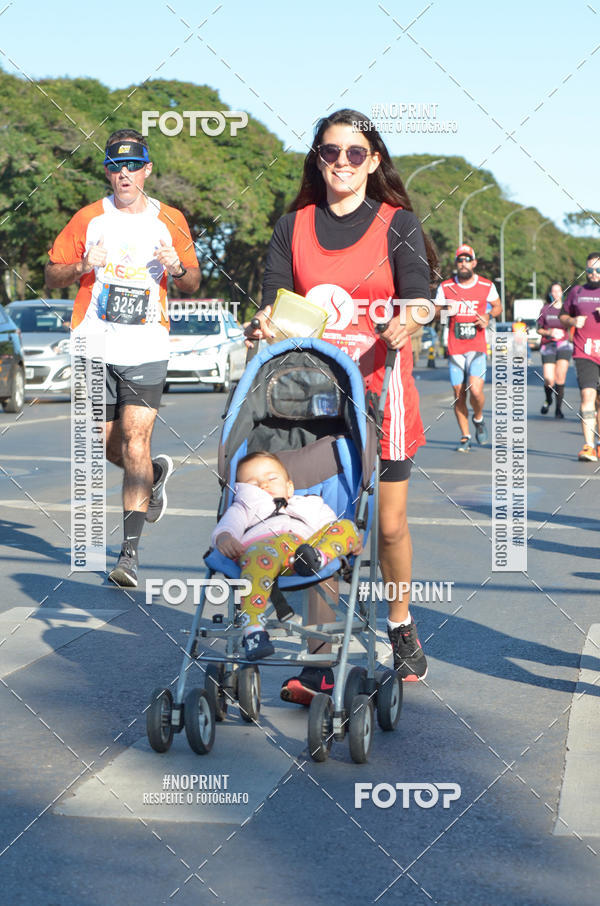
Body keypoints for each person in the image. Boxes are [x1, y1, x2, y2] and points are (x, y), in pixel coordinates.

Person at [247, 108, 436, 695]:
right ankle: (319, 659)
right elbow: (273, 307)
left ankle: (400, 622)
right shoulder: (293, 226)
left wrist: (412, 320)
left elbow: (422, 298)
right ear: (318, 158)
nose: (342, 164)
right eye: (331, 152)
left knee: (388, 527)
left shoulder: (397, 223)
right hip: (312, 400)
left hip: (383, 391)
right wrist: (261, 326)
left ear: (373, 161)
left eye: (356, 153)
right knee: (315, 521)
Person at [45, 129, 200, 586]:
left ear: (147, 170)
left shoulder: (169, 219)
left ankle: (127, 555)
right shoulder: (88, 218)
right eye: (116, 166)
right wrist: (81, 266)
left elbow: (192, 281)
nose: (125, 174)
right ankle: (152, 474)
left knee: (135, 437)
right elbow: (52, 274)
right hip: (93, 342)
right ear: (108, 171)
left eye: (133, 166)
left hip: (146, 343)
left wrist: (176, 267)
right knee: (107, 442)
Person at [212, 452, 360, 670]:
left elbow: (330, 525)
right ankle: (253, 630)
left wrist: (349, 540)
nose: (263, 485)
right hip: (264, 551)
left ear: (290, 487)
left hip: (304, 548)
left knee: (346, 527)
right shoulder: (244, 507)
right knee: (257, 555)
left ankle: (319, 557)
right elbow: (227, 526)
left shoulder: (310, 504)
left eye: (272, 479)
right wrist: (225, 538)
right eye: (253, 483)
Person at [435, 244, 502, 452]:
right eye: (459, 260)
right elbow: (433, 312)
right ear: (456, 264)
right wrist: (446, 310)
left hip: (477, 346)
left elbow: (497, 306)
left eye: (467, 260)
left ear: (474, 262)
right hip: (455, 348)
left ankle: (479, 417)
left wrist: (488, 316)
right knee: (458, 394)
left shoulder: (486, 285)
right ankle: (465, 436)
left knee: (475, 390)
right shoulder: (446, 287)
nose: (463, 264)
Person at [560, 252, 600, 461]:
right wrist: (573, 322)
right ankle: (588, 445)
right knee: (588, 396)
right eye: (590, 270)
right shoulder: (577, 291)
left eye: (598, 270)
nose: (593, 274)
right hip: (585, 352)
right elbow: (563, 316)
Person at [537, 283, 572, 418]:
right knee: (548, 379)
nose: (556, 294)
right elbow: (538, 329)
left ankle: (558, 409)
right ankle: (548, 399)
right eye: (554, 291)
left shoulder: (567, 309)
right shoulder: (545, 309)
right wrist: (549, 332)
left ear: (562, 292)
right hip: (548, 345)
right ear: (551, 294)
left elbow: (573, 324)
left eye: (558, 291)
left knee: (560, 378)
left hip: (564, 345)